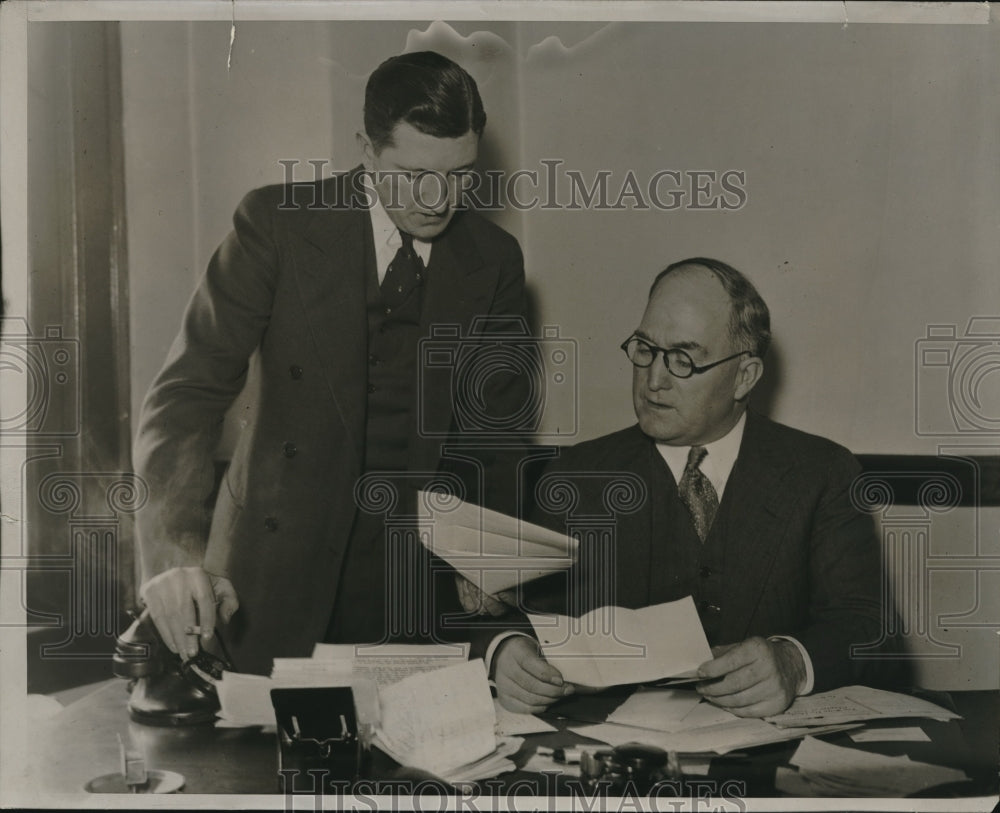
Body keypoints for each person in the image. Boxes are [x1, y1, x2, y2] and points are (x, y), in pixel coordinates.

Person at [133, 51, 532, 676]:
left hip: (413, 582)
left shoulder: (495, 259)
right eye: (412, 174)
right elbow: (185, 397)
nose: (437, 200)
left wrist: (487, 556)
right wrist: (175, 554)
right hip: (270, 572)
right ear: (366, 151)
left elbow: (497, 432)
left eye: (459, 175)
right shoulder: (276, 225)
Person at [491, 258, 892, 718]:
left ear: (745, 376)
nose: (654, 380)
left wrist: (793, 662)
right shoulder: (574, 477)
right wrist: (506, 651)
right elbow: (514, 618)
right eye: (645, 348)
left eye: (684, 359)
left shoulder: (822, 473)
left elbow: (868, 629)